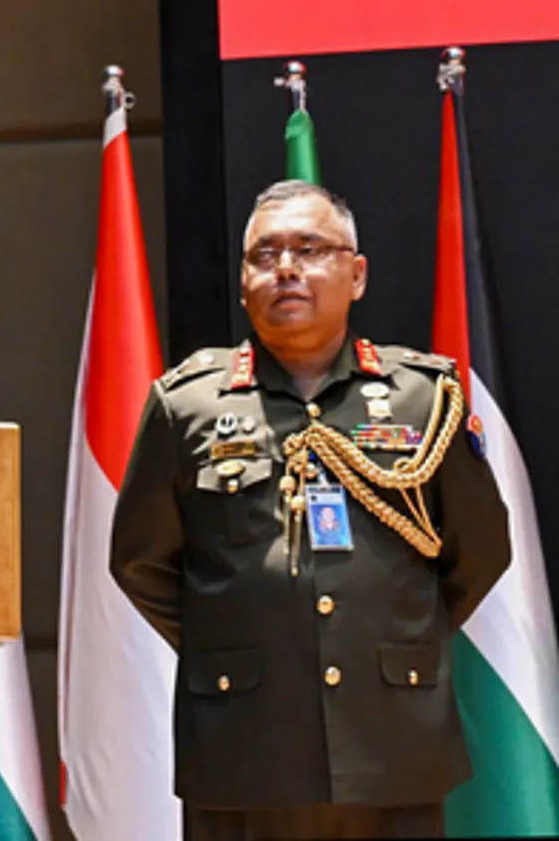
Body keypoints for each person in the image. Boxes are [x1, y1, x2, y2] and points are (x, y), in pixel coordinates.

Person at [110, 180, 510, 839]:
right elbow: (140, 560)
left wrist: (388, 629)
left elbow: (480, 549)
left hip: (391, 736)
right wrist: (245, 638)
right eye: (264, 256)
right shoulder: (188, 405)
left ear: (356, 275)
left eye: (309, 249)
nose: (286, 269)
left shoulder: (423, 397)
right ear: (242, 283)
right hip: (247, 743)